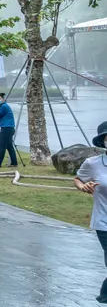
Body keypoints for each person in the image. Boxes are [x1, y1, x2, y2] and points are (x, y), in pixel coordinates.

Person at [73, 119, 107, 304]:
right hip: (104, 221)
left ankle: (104, 294)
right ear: (103, 141)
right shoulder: (93, 163)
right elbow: (78, 179)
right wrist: (83, 186)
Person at [0, 92, 19, 168]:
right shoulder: (4, 106)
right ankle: (14, 162)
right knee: (9, 147)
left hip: (6, 129)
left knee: (2, 147)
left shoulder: (4, 107)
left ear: (3, 99)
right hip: (9, 128)